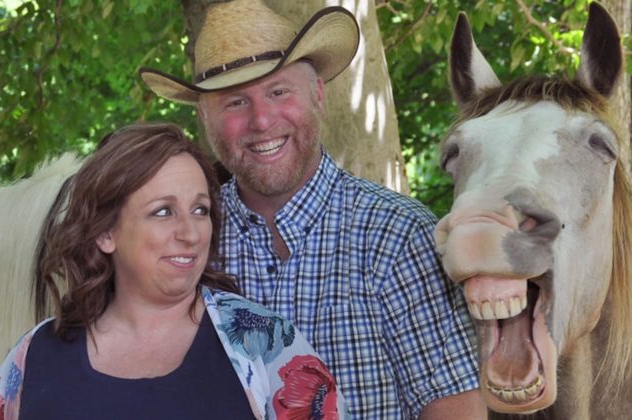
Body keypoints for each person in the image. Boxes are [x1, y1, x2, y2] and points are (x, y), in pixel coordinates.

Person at [139, 0, 484, 418]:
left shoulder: (398, 236)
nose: (262, 120)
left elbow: (455, 408)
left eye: (278, 91)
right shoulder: (185, 246)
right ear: (204, 118)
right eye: (234, 102)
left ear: (318, 93)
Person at [0, 123, 348, 420]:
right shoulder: (35, 356)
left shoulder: (264, 346)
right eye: (163, 211)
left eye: (200, 210)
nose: (190, 233)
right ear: (106, 232)